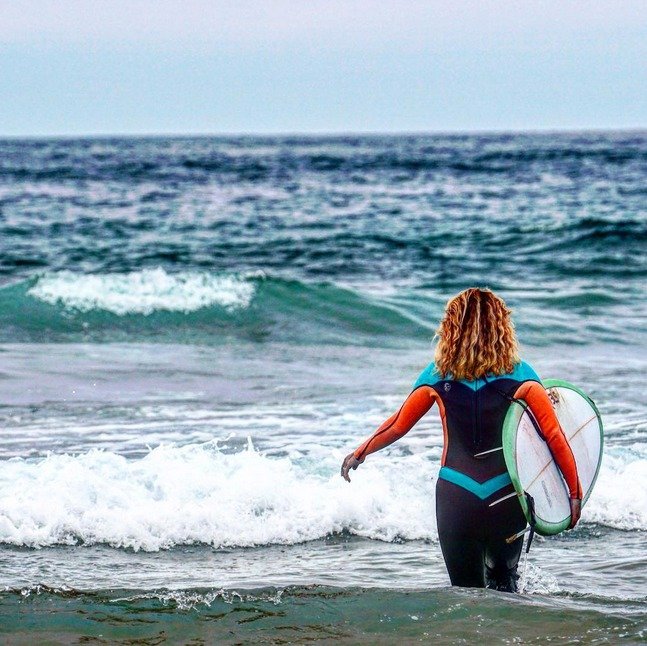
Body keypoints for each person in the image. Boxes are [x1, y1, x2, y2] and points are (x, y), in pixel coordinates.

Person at [341, 287, 582, 592]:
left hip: (458, 497)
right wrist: (574, 493)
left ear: (450, 328)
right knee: (505, 586)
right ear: (502, 327)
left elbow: (398, 425)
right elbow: (554, 436)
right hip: (507, 497)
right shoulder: (523, 375)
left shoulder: (437, 375)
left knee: (465, 596)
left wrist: (360, 452)